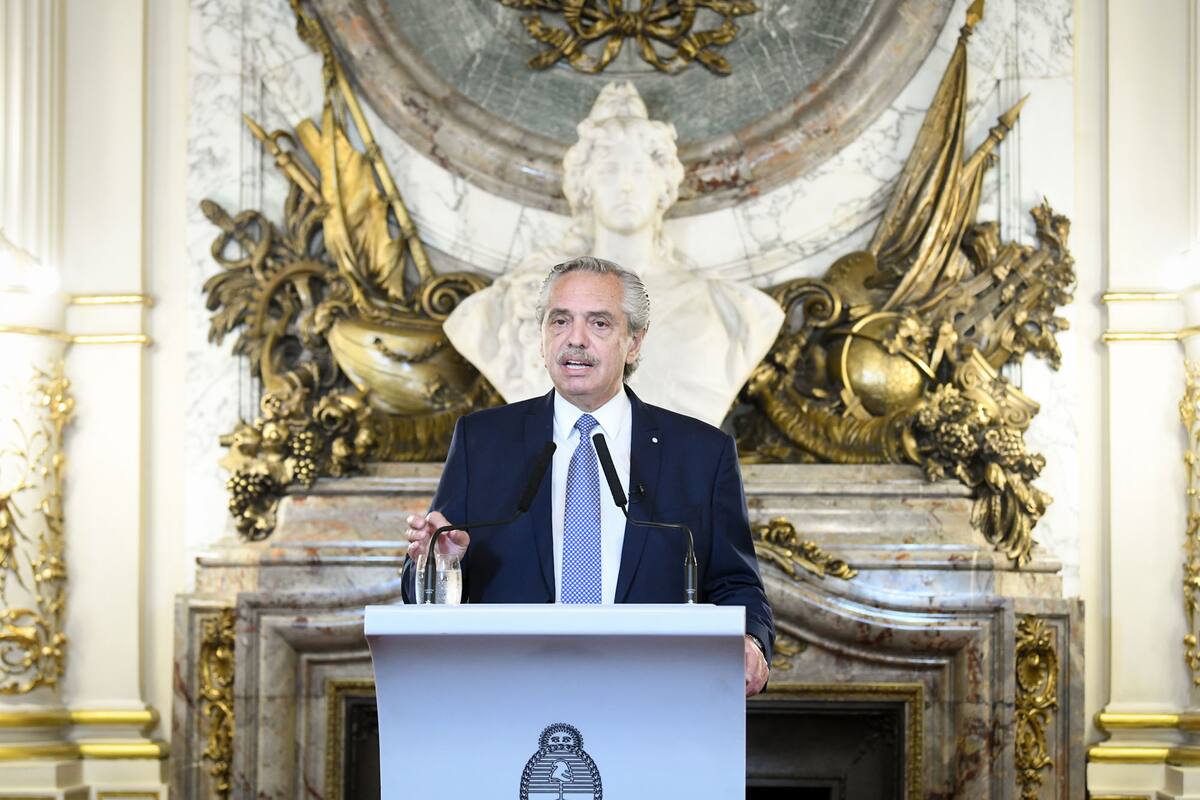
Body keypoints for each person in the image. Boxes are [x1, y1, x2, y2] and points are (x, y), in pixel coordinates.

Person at [405, 256, 774, 696]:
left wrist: (751, 641)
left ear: (634, 342)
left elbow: (735, 583)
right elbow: (421, 591)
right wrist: (440, 561)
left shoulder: (700, 453)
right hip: (511, 697)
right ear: (542, 339)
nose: (574, 340)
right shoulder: (482, 441)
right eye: (559, 321)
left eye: (599, 324)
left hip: (652, 699)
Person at [443, 82, 784, 428]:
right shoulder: (506, 309)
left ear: (664, 185)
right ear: (584, 187)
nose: (626, 185)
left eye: (638, 171)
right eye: (609, 171)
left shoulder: (736, 312)